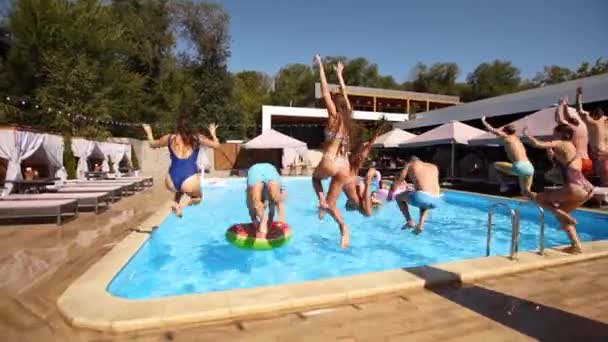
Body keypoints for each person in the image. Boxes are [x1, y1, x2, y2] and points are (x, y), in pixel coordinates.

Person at [524, 124, 593, 254]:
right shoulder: (571, 146)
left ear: (560, 133)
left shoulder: (560, 142)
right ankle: (576, 246)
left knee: (539, 198)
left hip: (575, 187)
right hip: (587, 190)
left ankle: (564, 215)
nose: (553, 134)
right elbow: (560, 159)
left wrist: (527, 134)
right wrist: (551, 152)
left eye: (554, 132)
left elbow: (537, 144)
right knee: (563, 219)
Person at [311, 54, 353, 248]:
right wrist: (340, 74)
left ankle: (321, 202)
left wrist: (320, 65)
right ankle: (343, 228)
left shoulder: (334, 116)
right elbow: (345, 94)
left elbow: (325, 88)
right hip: (344, 165)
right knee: (332, 204)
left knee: (315, 178)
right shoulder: (348, 117)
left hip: (329, 160)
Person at [142, 117, 220, 217]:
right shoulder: (197, 138)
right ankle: (181, 206)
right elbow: (217, 146)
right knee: (198, 198)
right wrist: (213, 133)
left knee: (181, 189)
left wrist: (149, 132)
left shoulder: (169, 138)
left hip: (170, 180)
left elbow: (152, 144)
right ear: (191, 127)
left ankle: (176, 203)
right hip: (189, 180)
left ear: (178, 127)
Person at [342, 123, 389, 216]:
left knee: (366, 212)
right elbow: (368, 147)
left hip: (351, 186)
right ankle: (367, 185)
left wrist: (377, 134)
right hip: (352, 186)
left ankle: (366, 188)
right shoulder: (351, 159)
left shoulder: (348, 159)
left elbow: (368, 146)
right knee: (367, 213)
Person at [481, 116, 534, 196]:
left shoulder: (507, 137)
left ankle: (504, 184)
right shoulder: (517, 138)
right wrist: (525, 131)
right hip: (530, 167)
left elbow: (492, 130)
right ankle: (544, 203)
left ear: (505, 132)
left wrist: (483, 121)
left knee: (495, 165)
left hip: (519, 167)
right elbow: (515, 130)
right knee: (526, 192)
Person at [388, 156, 441, 234]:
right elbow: (429, 185)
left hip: (422, 197)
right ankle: (420, 225)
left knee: (398, 197)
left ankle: (409, 222)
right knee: (424, 200)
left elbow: (401, 177)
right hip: (437, 200)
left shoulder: (410, 164)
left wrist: (391, 192)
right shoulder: (433, 166)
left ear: (409, 161)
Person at [577, 87, 608, 185]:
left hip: (599, 153)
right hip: (602, 152)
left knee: (602, 175)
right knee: (603, 176)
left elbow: (579, 110)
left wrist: (579, 96)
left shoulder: (592, 122)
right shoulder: (605, 120)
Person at [246, 163, 285, 239]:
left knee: (256, 202)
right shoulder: (268, 199)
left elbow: (251, 208)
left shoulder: (255, 200)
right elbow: (274, 210)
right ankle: (267, 222)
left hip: (255, 171)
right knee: (277, 201)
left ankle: (263, 220)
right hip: (270, 170)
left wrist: (257, 223)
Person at [554, 96, 592, 175]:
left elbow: (559, 119)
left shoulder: (569, 128)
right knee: (582, 183)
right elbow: (568, 116)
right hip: (587, 161)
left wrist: (560, 105)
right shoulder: (583, 125)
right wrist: (565, 106)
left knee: (572, 183)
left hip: (577, 162)